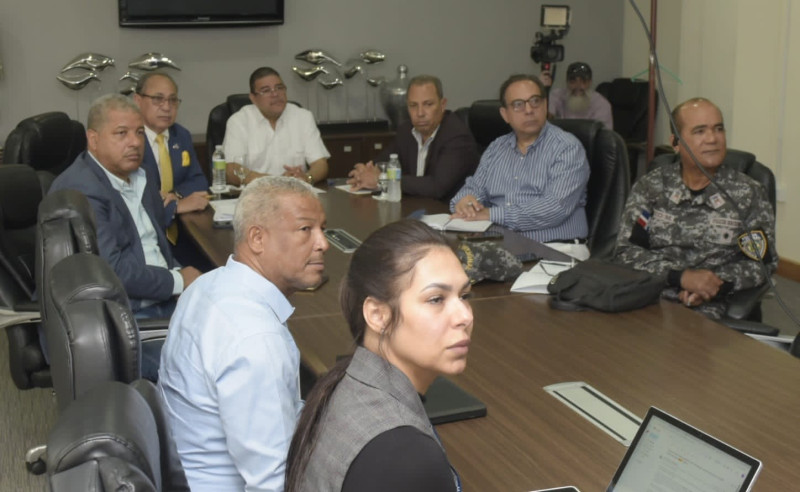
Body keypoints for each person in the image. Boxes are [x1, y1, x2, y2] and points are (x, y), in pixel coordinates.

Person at [159, 176, 329, 491]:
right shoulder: (255, 340)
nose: (323, 243)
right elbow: (273, 484)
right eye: (306, 230)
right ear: (257, 238)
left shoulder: (210, 285)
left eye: (322, 229)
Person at [285, 220, 471, 491]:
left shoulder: (342, 386)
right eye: (436, 299)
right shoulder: (405, 455)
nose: (465, 316)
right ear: (377, 315)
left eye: (465, 295)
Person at [614, 97, 777, 319]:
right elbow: (626, 251)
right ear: (676, 142)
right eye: (700, 131)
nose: (712, 139)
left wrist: (712, 285)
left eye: (718, 129)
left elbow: (762, 265)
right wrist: (679, 277)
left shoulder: (749, 193)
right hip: (650, 299)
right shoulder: (651, 186)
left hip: (714, 310)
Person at [49, 94, 201, 320]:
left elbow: (155, 247)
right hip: (124, 313)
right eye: (122, 133)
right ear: (93, 139)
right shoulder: (81, 189)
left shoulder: (142, 175)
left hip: (164, 298)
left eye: (139, 132)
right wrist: (178, 280)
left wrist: (183, 282)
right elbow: (111, 271)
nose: (135, 142)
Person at [450, 74, 591, 260]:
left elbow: (553, 209)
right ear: (505, 114)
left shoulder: (567, 148)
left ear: (545, 105)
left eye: (535, 101)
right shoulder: (496, 148)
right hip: (505, 247)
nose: (529, 110)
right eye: (518, 104)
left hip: (557, 249)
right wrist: (464, 203)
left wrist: (491, 214)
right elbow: (474, 189)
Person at [346, 75, 479, 200]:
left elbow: (436, 187)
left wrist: (381, 179)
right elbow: (384, 162)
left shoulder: (457, 136)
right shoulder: (406, 130)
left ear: (443, 105)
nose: (420, 113)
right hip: (416, 208)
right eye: (413, 106)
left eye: (428, 104)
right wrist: (365, 172)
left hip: (451, 214)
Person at [133, 72, 212, 270]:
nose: (166, 107)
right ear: (137, 100)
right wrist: (174, 207)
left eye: (172, 100)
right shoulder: (131, 140)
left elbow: (199, 181)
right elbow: (136, 196)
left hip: (181, 235)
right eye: (158, 99)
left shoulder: (180, 135)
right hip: (145, 239)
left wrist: (175, 196)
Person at [223, 66, 330, 185]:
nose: (275, 94)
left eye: (279, 88)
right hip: (257, 193)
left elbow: (320, 164)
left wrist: (307, 177)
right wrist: (275, 181)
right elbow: (232, 170)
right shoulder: (239, 121)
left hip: (296, 192)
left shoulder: (303, 116)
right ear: (253, 98)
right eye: (266, 90)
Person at [541, 62, 613, 130]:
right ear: (567, 82)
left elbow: (603, 137)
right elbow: (544, 120)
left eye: (583, 81)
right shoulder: (557, 95)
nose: (578, 86)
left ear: (590, 82)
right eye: (573, 81)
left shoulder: (601, 104)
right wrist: (541, 89)